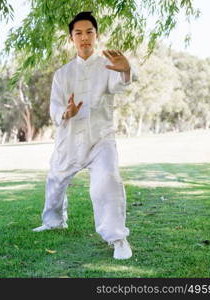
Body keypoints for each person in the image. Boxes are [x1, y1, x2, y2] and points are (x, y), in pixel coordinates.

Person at [32, 11, 134, 260]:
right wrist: (66, 112)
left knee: (107, 180)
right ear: (71, 38)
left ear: (96, 35)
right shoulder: (62, 74)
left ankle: (118, 238)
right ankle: (54, 221)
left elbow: (119, 85)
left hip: (101, 139)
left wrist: (126, 70)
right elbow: (55, 108)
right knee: (55, 181)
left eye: (89, 32)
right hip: (69, 140)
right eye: (78, 33)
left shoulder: (108, 65)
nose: (84, 37)